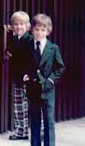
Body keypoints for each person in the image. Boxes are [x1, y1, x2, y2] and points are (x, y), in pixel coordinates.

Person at [24, 14, 65, 146]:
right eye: (36, 29)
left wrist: (51, 81)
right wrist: (25, 75)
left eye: (43, 30)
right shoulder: (28, 46)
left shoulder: (53, 48)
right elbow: (23, 63)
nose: (39, 33)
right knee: (35, 121)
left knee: (48, 121)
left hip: (47, 90)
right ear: (32, 30)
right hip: (33, 89)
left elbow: (60, 67)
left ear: (48, 31)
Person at [5, 11, 33, 140]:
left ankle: (41, 131)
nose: (18, 27)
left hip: (27, 78)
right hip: (17, 77)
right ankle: (21, 132)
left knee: (31, 105)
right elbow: (10, 51)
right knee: (18, 106)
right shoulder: (14, 39)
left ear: (28, 26)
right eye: (16, 24)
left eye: (22, 24)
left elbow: (33, 60)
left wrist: (29, 74)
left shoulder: (30, 40)